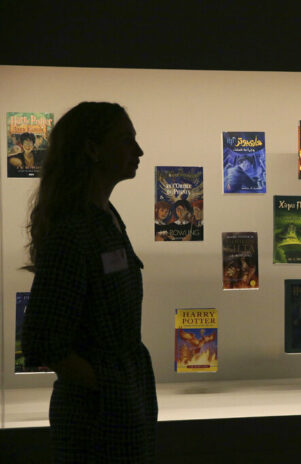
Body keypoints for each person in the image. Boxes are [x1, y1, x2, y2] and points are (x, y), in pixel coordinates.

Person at [21, 102, 157, 462]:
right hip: (95, 422)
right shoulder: (74, 230)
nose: (138, 151)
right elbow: (42, 340)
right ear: (92, 149)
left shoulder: (105, 217)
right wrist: (109, 386)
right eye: (126, 140)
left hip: (120, 408)